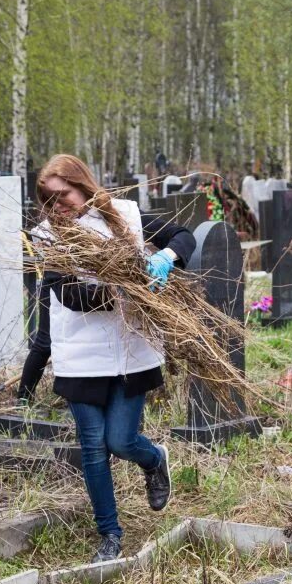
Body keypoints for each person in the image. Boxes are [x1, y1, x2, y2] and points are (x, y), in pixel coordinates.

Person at [31, 154, 196, 562]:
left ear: (83, 184)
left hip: (130, 351)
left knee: (120, 440)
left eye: (64, 195)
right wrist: (126, 288)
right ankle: (110, 535)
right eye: (50, 200)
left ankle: (154, 458)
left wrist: (163, 260)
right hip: (81, 355)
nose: (59, 206)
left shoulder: (126, 215)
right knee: (92, 446)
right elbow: (68, 295)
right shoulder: (47, 236)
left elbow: (184, 236)